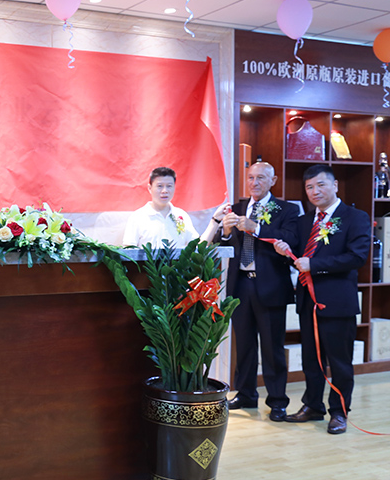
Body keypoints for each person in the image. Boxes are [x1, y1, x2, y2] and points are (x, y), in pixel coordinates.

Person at [273, 164, 370, 435]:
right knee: (311, 360)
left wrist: (314, 265)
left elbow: (357, 257)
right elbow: (299, 258)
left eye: (320, 185)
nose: (315, 191)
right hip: (308, 302)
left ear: (335, 185)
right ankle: (313, 406)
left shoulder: (355, 217)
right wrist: (286, 252)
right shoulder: (305, 221)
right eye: (309, 187)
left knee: (339, 362)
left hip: (337, 303)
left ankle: (339, 412)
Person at [219, 163, 298, 420]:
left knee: (272, 348)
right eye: (251, 177)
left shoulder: (287, 209)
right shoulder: (237, 208)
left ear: (273, 180)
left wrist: (257, 228)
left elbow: (291, 239)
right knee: (244, 345)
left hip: (270, 286)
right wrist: (226, 231)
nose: (254, 183)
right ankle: (246, 394)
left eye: (261, 178)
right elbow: (224, 244)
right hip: (241, 284)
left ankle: (277, 401)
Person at [123, 166, 200, 248]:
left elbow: (195, 245)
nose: (164, 191)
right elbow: (129, 249)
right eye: (160, 186)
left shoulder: (181, 215)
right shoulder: (137, 217)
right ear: (150, 188)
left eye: (169, 186)